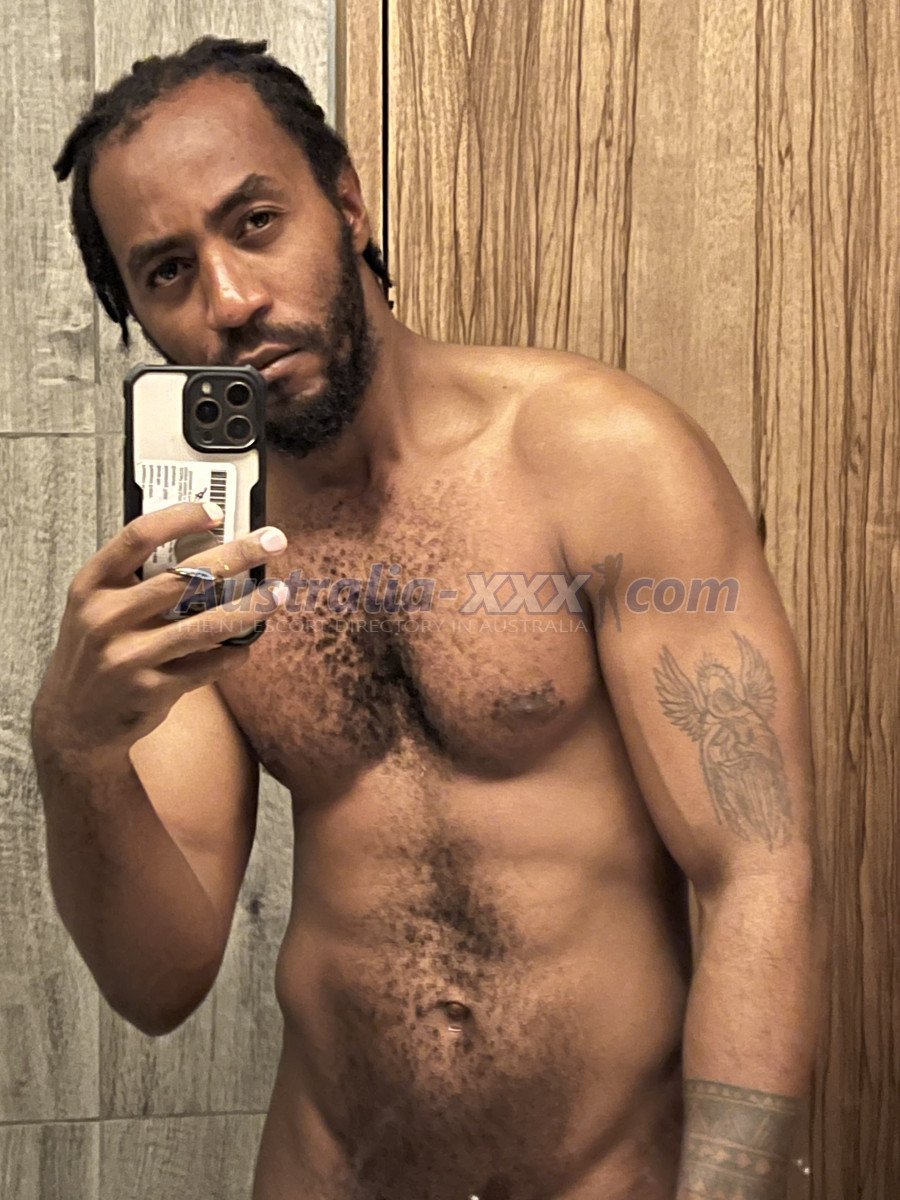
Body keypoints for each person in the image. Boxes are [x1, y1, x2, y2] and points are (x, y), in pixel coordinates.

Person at [32, 36, 826, 1200]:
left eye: (256, 222)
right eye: (167, 272)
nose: (232, 301)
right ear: (141, 317)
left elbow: (758, 873)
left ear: (346, 204)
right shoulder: (208, 555)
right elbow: (159, 983)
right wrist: (74, 750)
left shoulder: (599, 459)